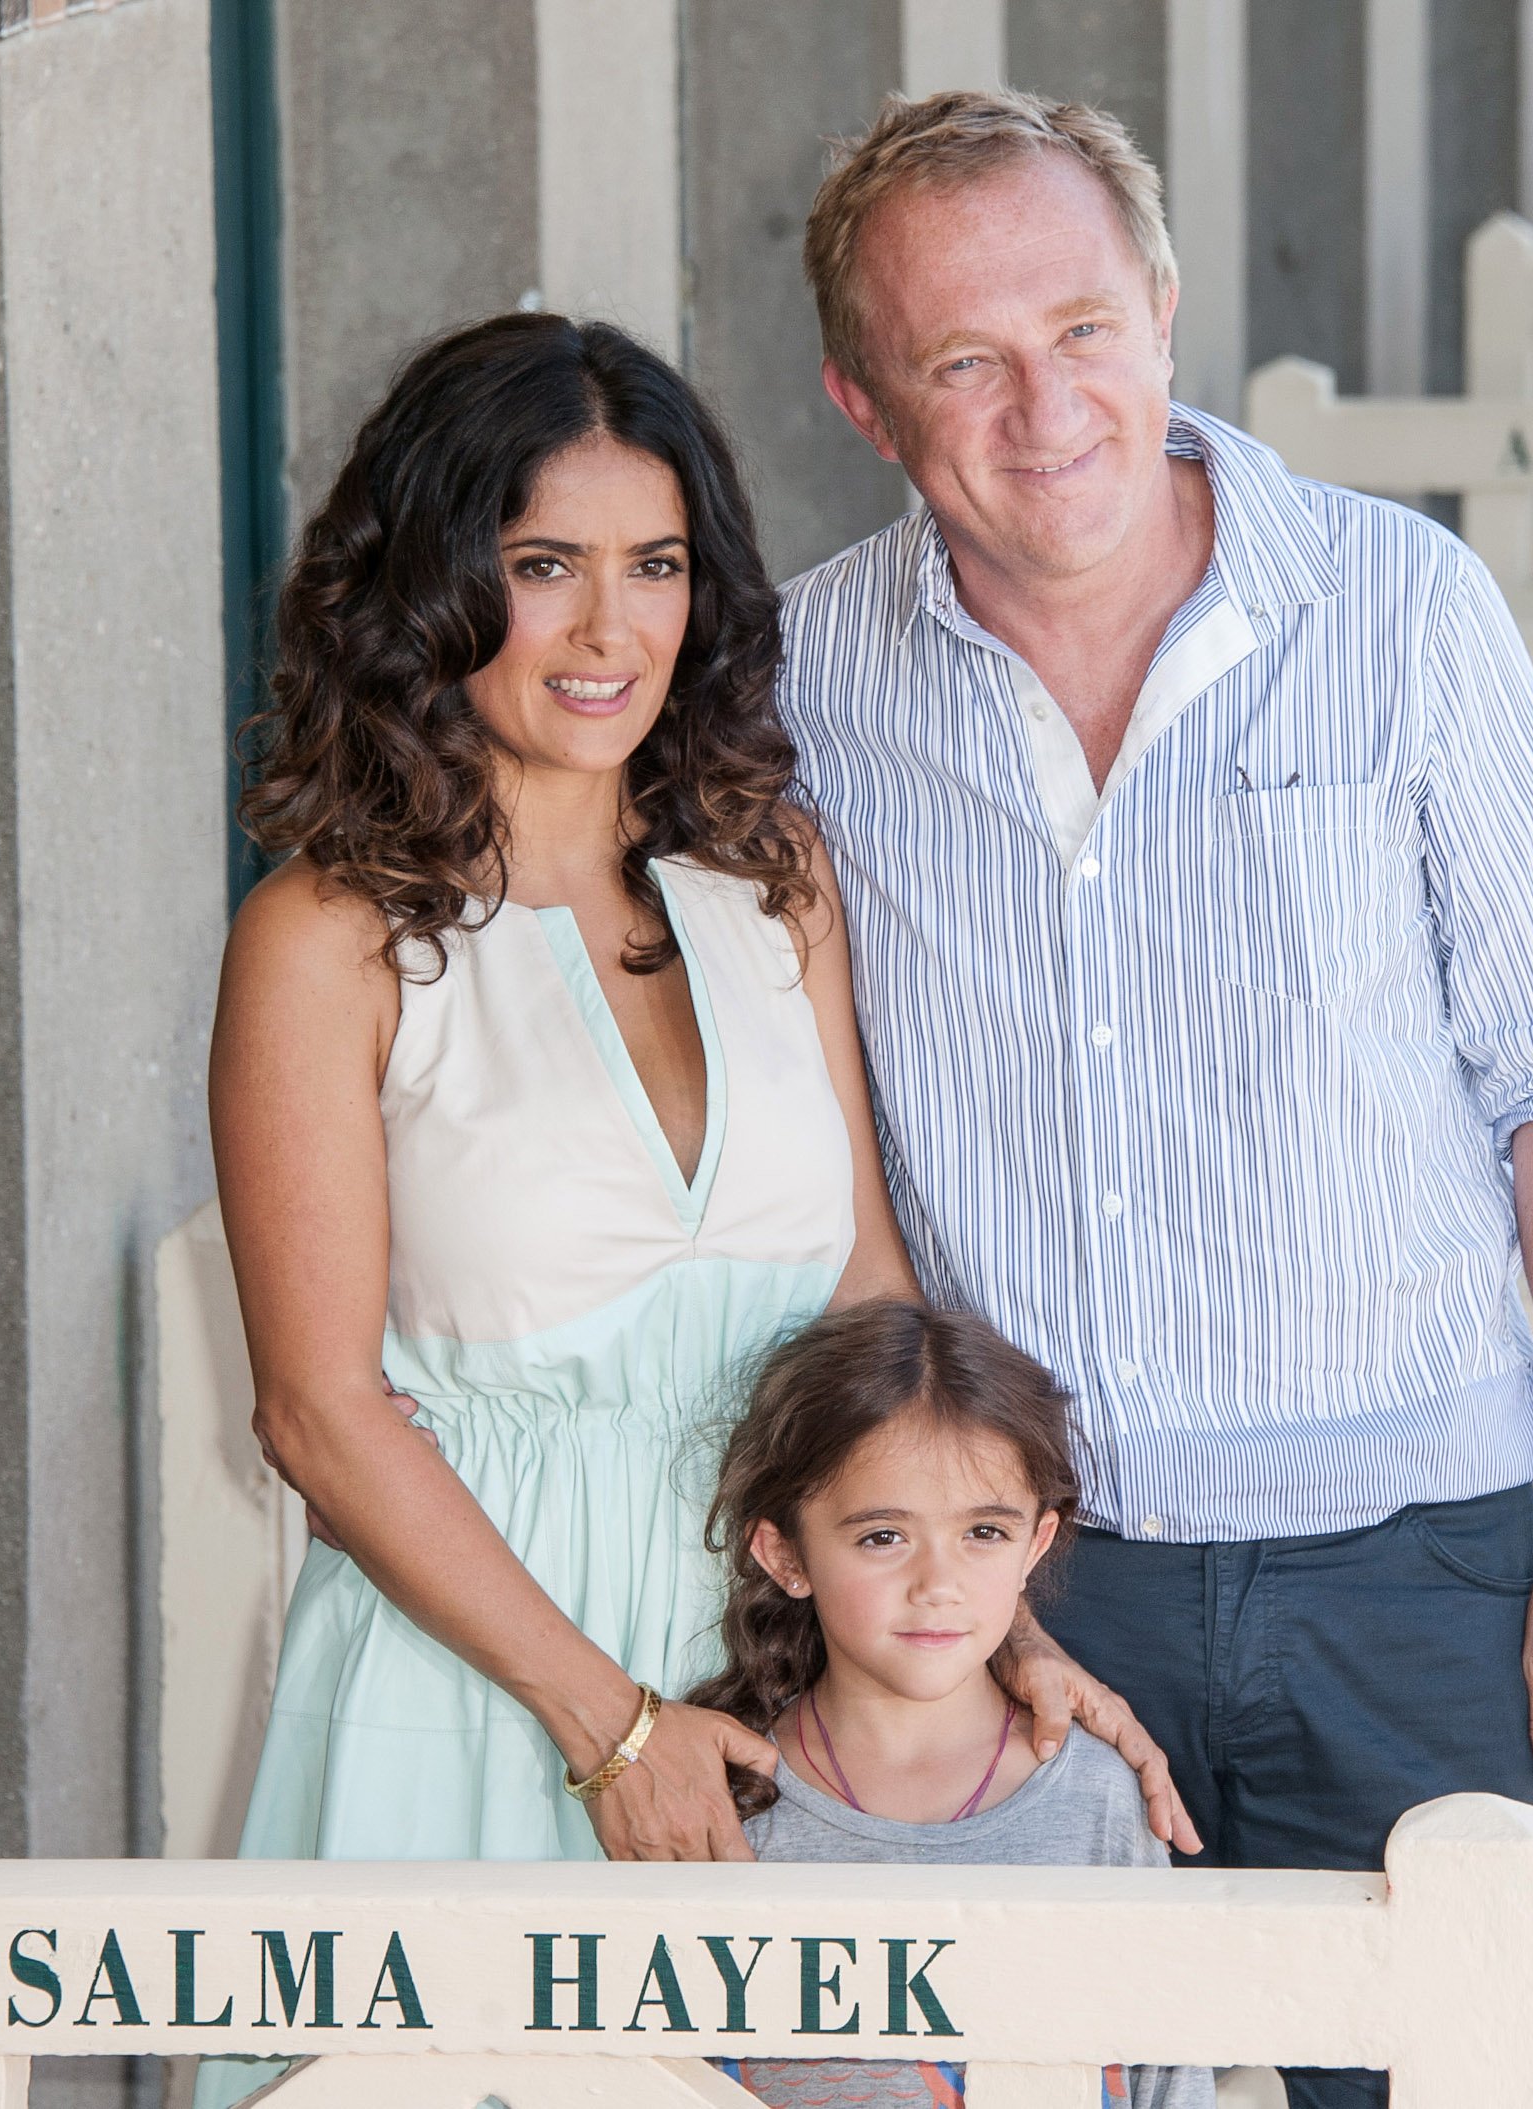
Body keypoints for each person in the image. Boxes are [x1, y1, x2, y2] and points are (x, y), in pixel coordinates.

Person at [775, 93, 1533, 2109]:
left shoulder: (1401, 609)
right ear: (865, 402)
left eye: (1084, 329)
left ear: (1166, 311)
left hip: (1413, 1571)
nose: (1046, 406)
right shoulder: (802, 684)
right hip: (1016, 1588)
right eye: (965, 360)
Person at [200, 314, 1184, 2106]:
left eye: (653, 565)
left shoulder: (769, 870)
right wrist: (610, 1722)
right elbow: (316, 1411)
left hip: (790, 1669)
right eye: (542, 566)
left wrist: (1006, 1619)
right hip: (482, 1679)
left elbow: (865, 1295)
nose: (607, 629)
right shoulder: (325, 934)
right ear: (430, 585)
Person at [692, 1300, 1209, 2109]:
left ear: (1036, 1543)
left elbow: (1163, 2080)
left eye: (984, 1533)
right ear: (785, 1554)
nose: (938, 1584)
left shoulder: (1096, 1798)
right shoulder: (726, 1799)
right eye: (882, 1537)